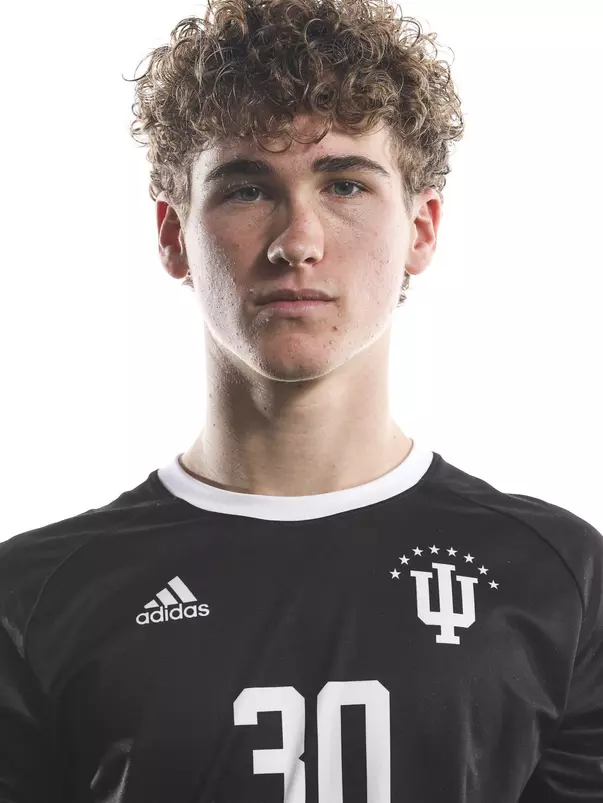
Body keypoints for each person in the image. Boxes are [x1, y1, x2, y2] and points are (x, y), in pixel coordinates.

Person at [1, 0, 602, 800]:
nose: (297, 241)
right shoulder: (35, 597)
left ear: (421, 228)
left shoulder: (559, 580)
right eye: (248, 188)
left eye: (345, 183)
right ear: (173, 234)